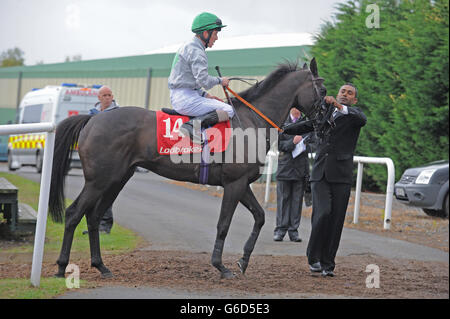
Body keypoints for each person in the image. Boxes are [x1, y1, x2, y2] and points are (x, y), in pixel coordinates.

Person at [284, 83, 367, 277]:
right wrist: (282, 127)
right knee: (322, 214)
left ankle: (328, 264)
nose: (345, 94)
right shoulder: (323, 113)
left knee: (336, 220)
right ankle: (313, 258)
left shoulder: (354, 115)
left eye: (349, 93)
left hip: (341, 176)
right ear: (337, 93)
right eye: (342, 92)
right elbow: (304, 125)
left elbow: (362, 119)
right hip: (320, 175)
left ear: (354, 99)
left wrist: (339, 107)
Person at [168, 12, 234, 143]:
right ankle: (192, 125)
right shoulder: (197, 52)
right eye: (215, 34)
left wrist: (205, 95)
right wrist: (221, 81)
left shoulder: (189, 47)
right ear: (205, 33)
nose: (216, 38)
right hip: (185, 99)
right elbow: (204, 81)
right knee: (228, 109)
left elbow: (190, 81)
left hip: (184, 95)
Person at [83, 86, 119, 235]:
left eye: (109, 95)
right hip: (95, 158)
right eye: (104, 95)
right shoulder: (92, 114)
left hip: (111, 157)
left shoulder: (119, 114)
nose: (107, 97)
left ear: (112, 97)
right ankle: (94, 226)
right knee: (93, 192)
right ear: (99, 97)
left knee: (106, 192)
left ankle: (105, 225)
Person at [273, 108, 311, 243]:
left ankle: (293, 231)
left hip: (301, 169)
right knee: (283, 200)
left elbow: (315, 143)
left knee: (297, 202)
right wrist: (292, 143)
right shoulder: (282, 122)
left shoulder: (307, 123)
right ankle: (280, 230)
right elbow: (279, 144)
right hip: (285, 168)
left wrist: (306, 142)